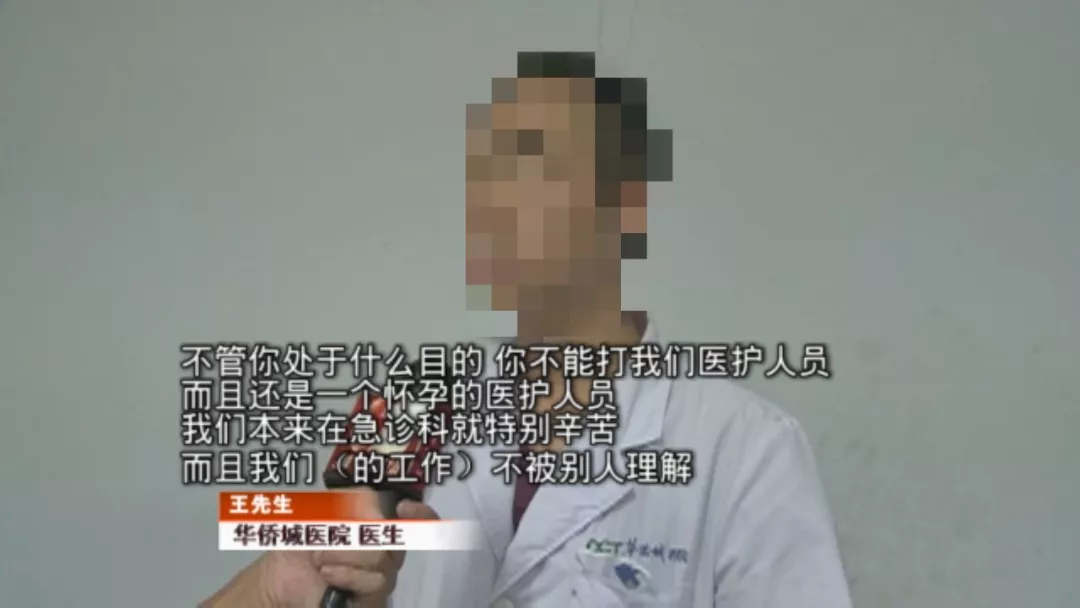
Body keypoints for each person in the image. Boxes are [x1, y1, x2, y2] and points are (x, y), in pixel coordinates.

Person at [202, 51, 853, 607]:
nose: (495, 200)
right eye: (486, 172)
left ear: (626, 205)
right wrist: (274, 587)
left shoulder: (744, 450)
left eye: (536, 165)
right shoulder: (405, 407)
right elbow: (307, 582)